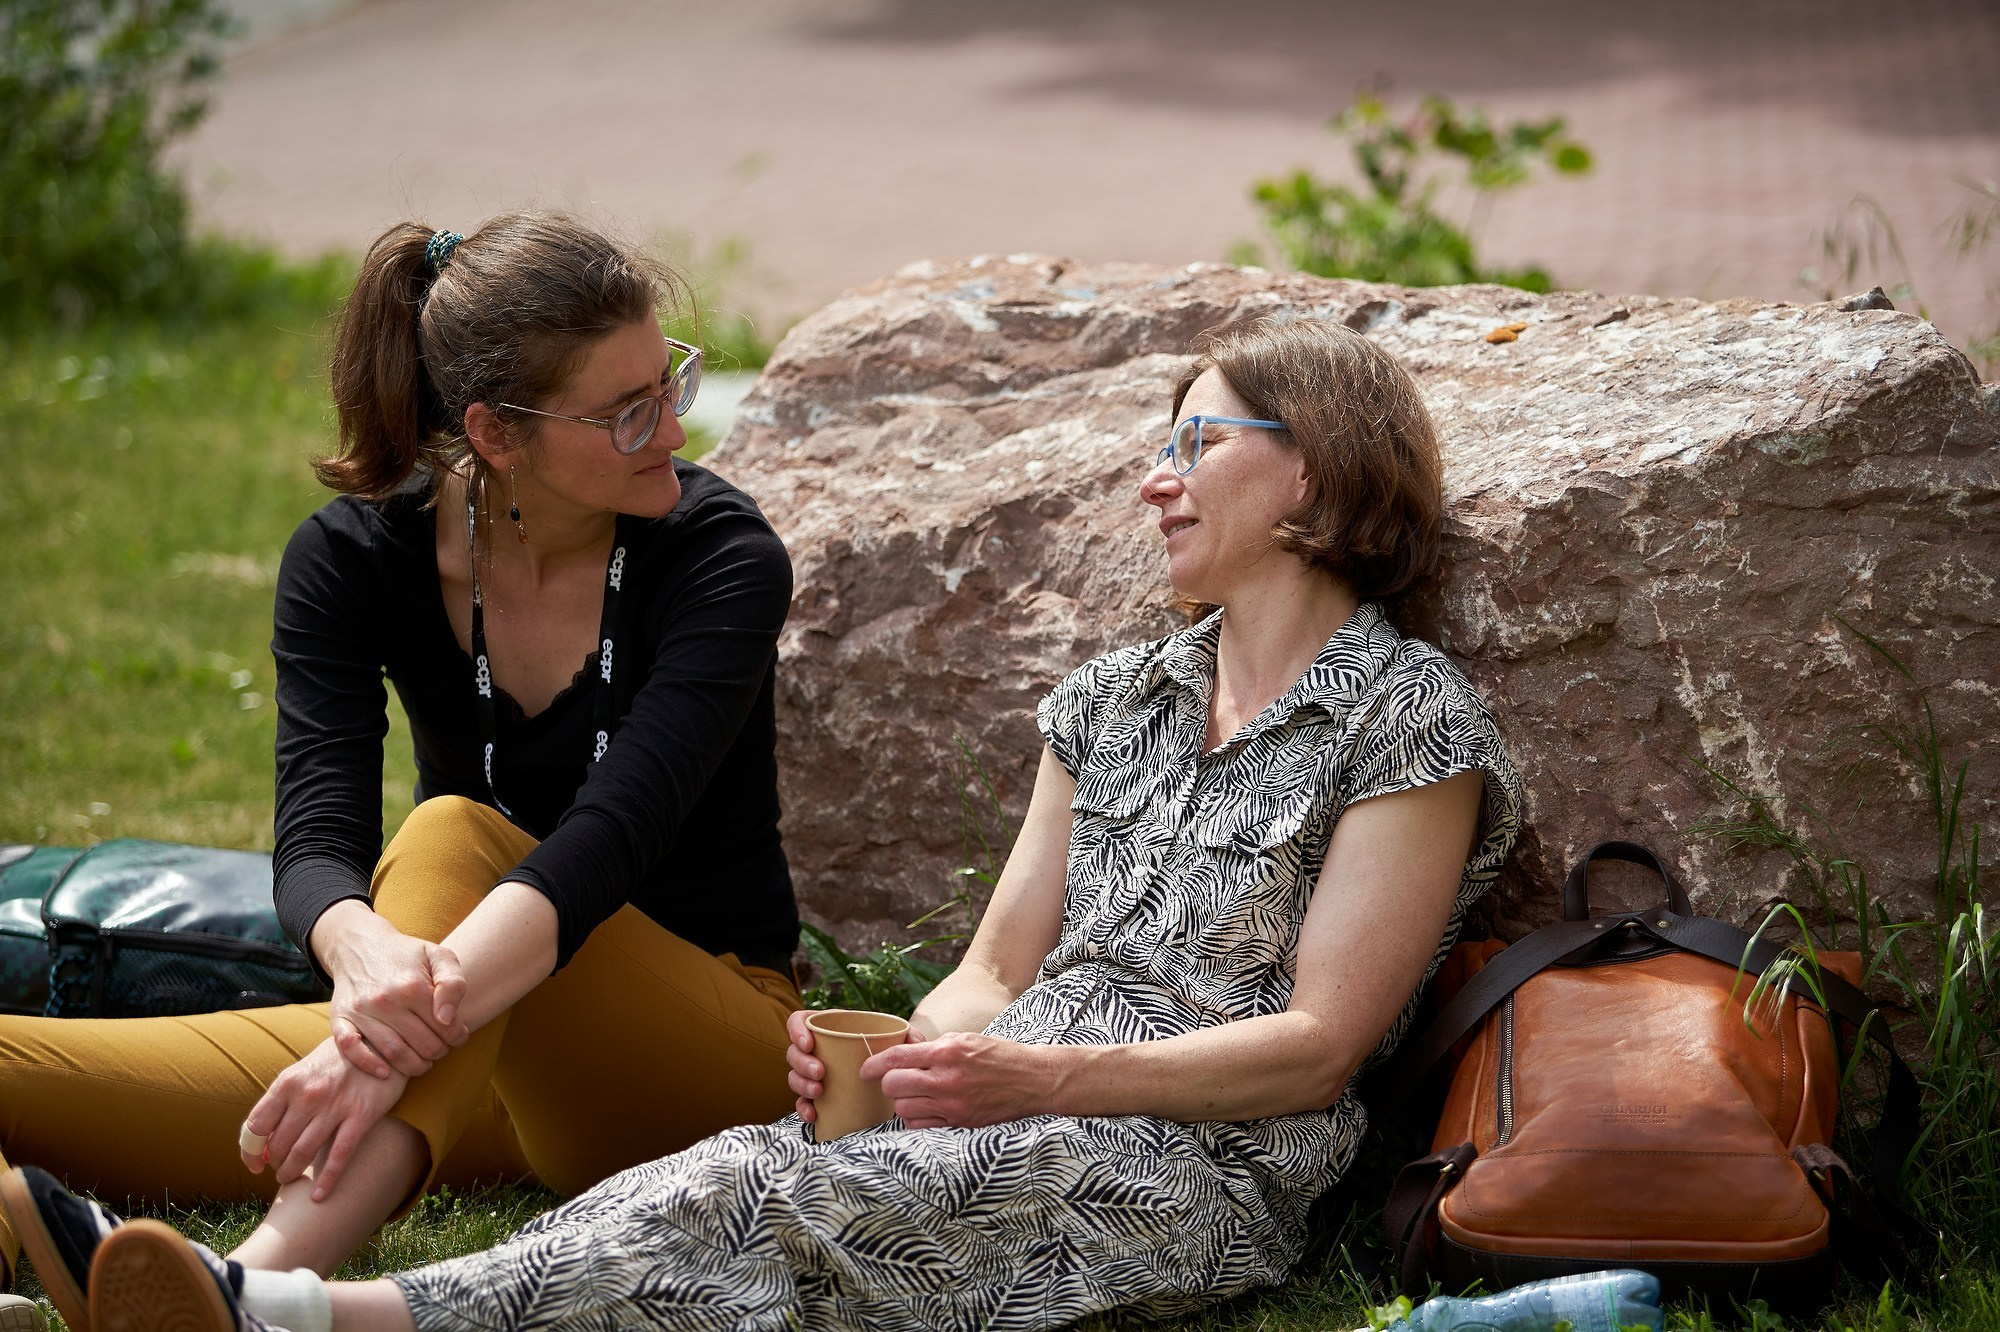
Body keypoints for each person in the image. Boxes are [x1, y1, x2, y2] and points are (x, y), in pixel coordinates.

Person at [14, 314, 1524, 1332]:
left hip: (1202, 1167)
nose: (1156, 478)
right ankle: (296, 1308)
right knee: (742, 1171)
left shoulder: (1408, 722)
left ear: (1316, 470)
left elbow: (1322, 1046)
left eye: (1198, 445)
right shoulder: (1112, 701)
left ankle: (308, 1312)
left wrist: (1038, 1072)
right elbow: (992, 966)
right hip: (1021, 1099)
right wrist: (930, 1046)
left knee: (773, 1203)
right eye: (1164, 443)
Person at [0, 213, 807, 1322]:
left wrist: (381, 1039)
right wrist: (369, 959)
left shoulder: (724, 559)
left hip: (693, 1052)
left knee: (445, 833)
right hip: (453, 1043)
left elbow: (609, 840)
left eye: (667, 380)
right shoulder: (348, 558)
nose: (672, 425)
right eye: (625, 410)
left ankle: (264, 1282)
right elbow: (316, 838)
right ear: (495, 434)